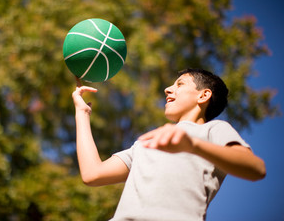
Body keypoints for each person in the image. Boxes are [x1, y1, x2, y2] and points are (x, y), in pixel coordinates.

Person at [72, 68, 266, 220]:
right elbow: (92, 174)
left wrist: (192, 145)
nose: (168, 89)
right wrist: (82, 114)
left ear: (203, 95)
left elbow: (256, 168)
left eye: (180, 84)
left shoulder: (212, 130)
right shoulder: (146, 144)